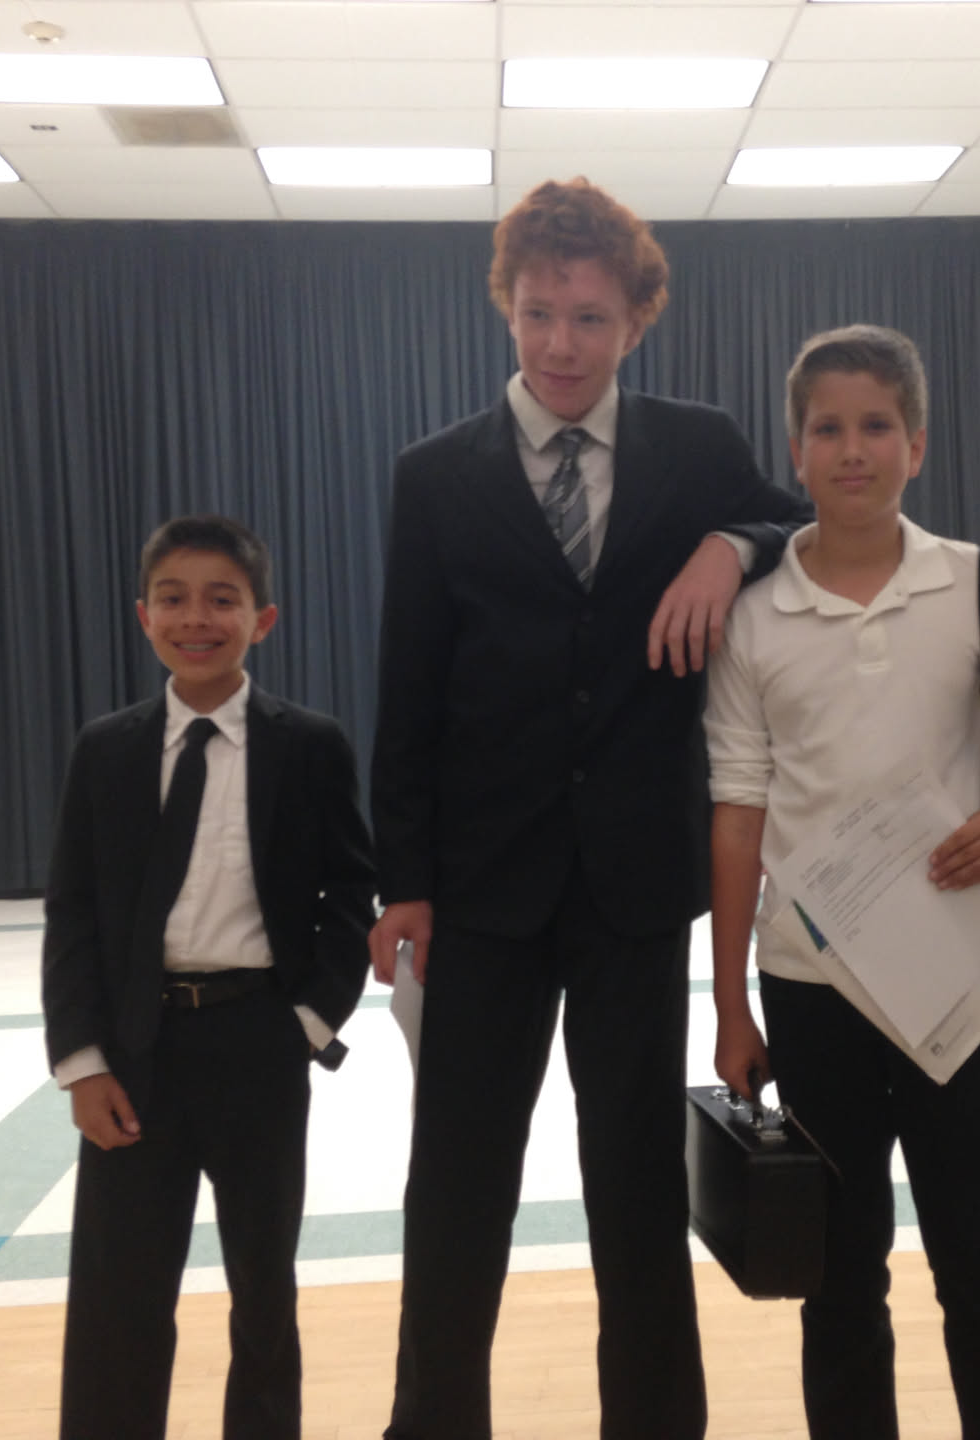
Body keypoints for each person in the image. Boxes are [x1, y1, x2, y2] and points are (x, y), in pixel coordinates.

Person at [369, 177, 810, 1440]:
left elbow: (793, 522)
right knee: (457, 1185)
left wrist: (730, 545)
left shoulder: (695, 447)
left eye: (591, 318)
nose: (562, 344)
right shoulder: (434, 474)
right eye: (539, 313)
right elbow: (408, 686)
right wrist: (406, 881)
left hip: (633, 883)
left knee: (634, 1184)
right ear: (506, 307)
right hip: (481, 888)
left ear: (636, 321)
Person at [703, 324, 980, 1440]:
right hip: (812, 988)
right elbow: (738, 813)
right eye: (827, 429)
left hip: (957, 982)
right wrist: (730, 1003)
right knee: (840, 1283)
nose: (851, 450)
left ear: (918, 443)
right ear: (795, 450)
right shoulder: (752, 615)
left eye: (875, 426)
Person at [41, 514, 376, 1440]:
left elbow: (351, 894)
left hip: (258, 1041)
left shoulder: (309, 746)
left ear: (262, 620)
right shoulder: (106, 750)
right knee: (118, 1291)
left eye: (222, 600)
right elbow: (72, 912)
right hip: (133, 1050)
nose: (197, 619)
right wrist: (82, 1062)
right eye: (175, 599)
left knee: (263, 1289)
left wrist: (309, 1021)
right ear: (143, 615)